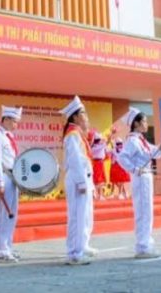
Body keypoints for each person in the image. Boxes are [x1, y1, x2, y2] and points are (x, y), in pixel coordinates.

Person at [117, 108, 161, 259]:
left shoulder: (141, 140)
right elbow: (122, 157)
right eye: (144, 121)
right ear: (136, 123)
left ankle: (146, 243)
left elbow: (152, 153)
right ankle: (142, 246)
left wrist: (160, 149)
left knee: (147, 212)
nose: (146, 124)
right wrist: (134, 169)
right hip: (141, 177)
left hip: (146, 176)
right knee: (143, 212)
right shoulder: (132, 141)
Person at [61, 95, 95, 265]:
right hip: (77, 178)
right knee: (76, 215)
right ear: (74, 117)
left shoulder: (78, 134)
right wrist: (82, 182)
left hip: (83, 177)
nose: (86, 117)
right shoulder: (72, 134)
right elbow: (75, 160)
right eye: (83, 113)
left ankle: (82, 245)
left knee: (85, 214)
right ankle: (74, 252)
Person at [0, 105, 22, 262]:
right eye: (14, 121)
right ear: (6, 119)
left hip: (12, 177)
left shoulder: (9, 137)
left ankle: (8, 246)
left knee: (11, 214)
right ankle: (1, 250)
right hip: (3, 176)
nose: (16, 125)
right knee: (3, 214)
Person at [90, 130, 108, 200]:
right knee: (99, 180)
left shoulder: (92, 147)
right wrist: (111, 135)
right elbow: (106, 142)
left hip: (96, 163)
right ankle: (99, 195)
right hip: (99, 163)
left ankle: (96, 194)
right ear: (98, 140)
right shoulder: (98, 147)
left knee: (97, 179)